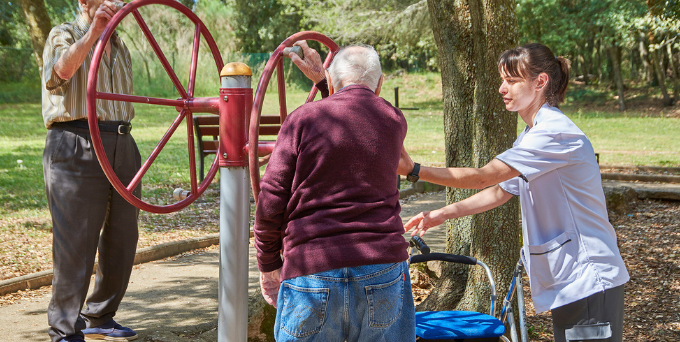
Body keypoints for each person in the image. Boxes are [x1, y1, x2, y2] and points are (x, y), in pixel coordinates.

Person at [402, 43, 629, 342]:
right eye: (502, 79)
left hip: (590, 277)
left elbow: (483, 177)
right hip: (574, 278)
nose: (501, 88)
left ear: (540, 82)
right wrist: (440, 214)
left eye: (511, 80)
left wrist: (414, 169)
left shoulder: (554, 134)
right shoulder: (532, 134)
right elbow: (499, 192)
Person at [254, 42, 415, 342]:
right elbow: (358, 119)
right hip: (381, 265)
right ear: (380, 84)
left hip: (311, 267)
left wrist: (268, 264)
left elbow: (272, 196)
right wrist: (326, 83)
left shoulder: (301, 119)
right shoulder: (394, 121)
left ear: (330, 81)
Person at [41, 0, 140, 342]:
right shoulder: (64, 33)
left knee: (122, 236)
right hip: (76, 141)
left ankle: (100, 315)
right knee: (76, 242)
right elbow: (61, 73)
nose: (117, 2)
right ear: (84, 0)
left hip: (120, 141)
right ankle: (65, 329)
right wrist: (94, 34)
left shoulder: (120, 45)